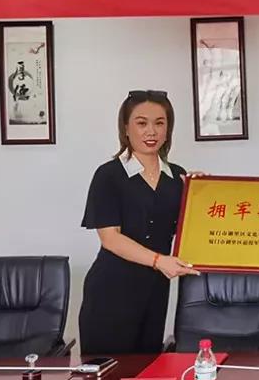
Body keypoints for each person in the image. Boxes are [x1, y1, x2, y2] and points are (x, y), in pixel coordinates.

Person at [79, 90, 201, 354]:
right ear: (126, 128)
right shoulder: (109, 175)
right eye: (142, 123)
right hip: (111, 289)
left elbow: (189, 230)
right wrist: (159, 261)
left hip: (155, 290)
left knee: (147, 370)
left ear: (168, 130)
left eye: (160, 123)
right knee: (108, 373)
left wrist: (202, 192)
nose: (151, 131)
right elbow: (110, 238)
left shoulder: (177, 176)